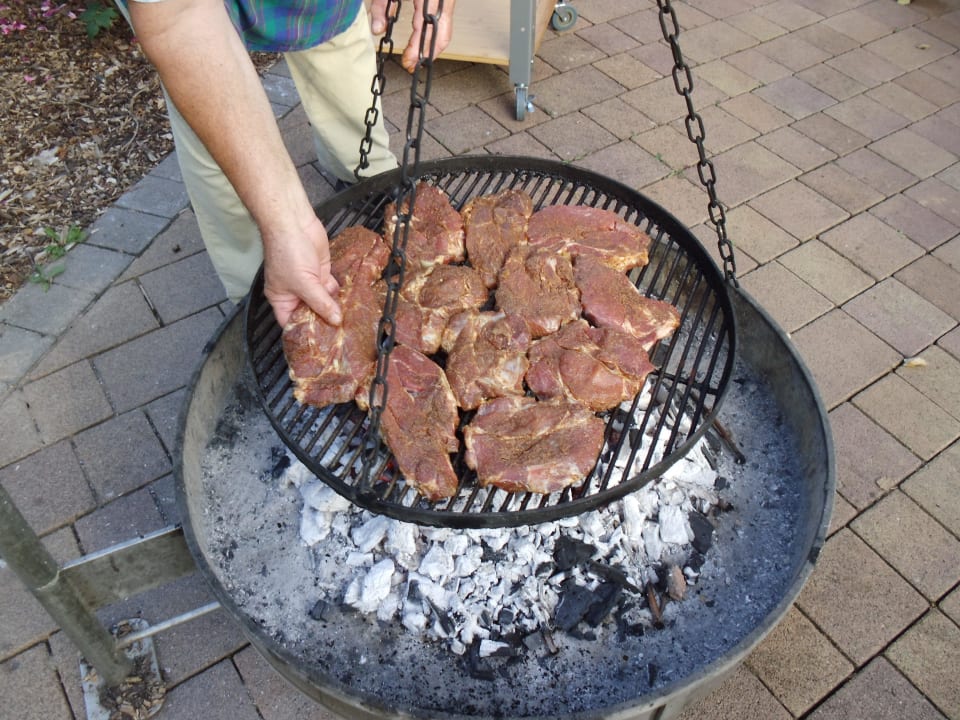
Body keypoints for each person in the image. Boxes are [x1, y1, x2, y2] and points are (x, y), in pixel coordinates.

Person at [119, 0, 454, 327]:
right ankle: (256, 287)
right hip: (186, 15)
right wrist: (283, 224)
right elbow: (182, 24)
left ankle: (362, 169)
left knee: (338, 46)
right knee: (219, 145)